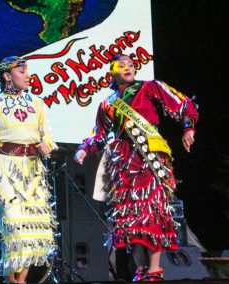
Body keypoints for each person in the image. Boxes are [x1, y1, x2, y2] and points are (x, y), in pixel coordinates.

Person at [74, 54, 199, 281]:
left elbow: (183, 104)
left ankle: (154, 270)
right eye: (122, 65)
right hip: (123, 163)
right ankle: (140, 270)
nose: (128, 67)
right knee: (131, 217)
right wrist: (84, 149)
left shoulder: (150, 87)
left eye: (132, 64)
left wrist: (188, 127)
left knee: (151, 209)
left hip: (148, 156)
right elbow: (99, 134)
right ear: (111, 71)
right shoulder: (108, 103)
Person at [0, 56, 58, 283]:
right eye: (22, 71)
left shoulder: (38, 104)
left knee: (33, 231)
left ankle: (19, 281)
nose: (28, 75)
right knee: (14, 226)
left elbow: (49, 138)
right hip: (4, 167)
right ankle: (11, 279)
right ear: (7, 76)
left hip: (33, 169)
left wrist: (46, 146)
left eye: (27, 71)